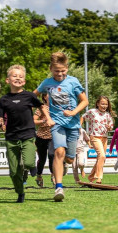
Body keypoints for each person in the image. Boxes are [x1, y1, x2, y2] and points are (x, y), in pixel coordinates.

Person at [34, 51, 88, 202]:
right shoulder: (47, 83)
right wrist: (45, 113)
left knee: (69, 159)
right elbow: (33, 96)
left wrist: (74, 112)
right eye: (56, 71)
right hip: (56, 123)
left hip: (73, 124)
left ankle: (64, 162)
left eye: (63, 70)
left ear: (67, 68)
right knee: (58, 151)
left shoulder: (73, 82)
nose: (60, 74)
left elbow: (85, 101)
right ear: (51, 69)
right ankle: (58, 187)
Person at [0, 64, 43, 203]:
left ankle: (32, 165)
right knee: (14, 171)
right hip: (11, 138)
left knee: (28, 162)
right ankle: (20, 192)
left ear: (24, 81)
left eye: (21, 76)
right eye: (14, 76)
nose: (18, 78)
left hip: (28, 134)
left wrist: (47, 117)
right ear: (8, 80)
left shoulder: (29, 96)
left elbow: (41, 105)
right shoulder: (3, 100)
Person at [81, 96, 115, 184]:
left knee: (100, 158)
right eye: (102, 104)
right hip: (95, 136)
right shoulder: (92, 112)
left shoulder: (107, 115)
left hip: (104, 138)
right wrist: (79, 127)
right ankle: (99, 177)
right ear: (98, 104)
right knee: (102, 156)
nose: (104, 106)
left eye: (106, 104)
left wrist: (109, 127)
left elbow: (111, 126)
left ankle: (91, 177)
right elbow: (83, 117)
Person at [33, 95, 53, 188]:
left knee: (52, 155)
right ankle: (39, 175)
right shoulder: (41, 108)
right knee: (42, 159)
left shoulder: (57, 107)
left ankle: (54, 175)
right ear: (45, 97)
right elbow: (34, 120)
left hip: (53, 137)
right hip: (41, 137)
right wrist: (43, 121)